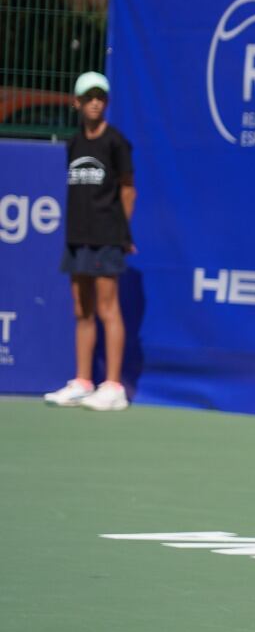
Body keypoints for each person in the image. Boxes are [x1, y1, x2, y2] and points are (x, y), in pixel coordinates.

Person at [42, 70, 136, 412]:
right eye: (89, 97)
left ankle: (112, 387)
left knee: (108, 308)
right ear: (77, 103)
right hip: (76, 236)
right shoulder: (73, 143)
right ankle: (83, 382)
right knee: (81, 308)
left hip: (107, 235)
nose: (96, 103)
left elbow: (127, 189)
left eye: (101, 97)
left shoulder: (116, 143)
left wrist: (122, 233)